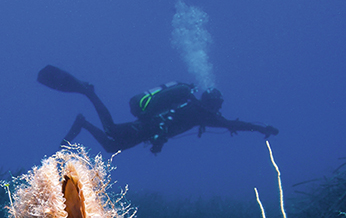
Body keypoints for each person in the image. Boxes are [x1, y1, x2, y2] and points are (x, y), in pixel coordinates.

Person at [38, 65, 278, 155]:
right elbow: (232, 125)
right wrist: (261, 128)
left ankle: (84, 122)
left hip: (148, 129)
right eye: (218, 106)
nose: (219, 111)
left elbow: (231, 124)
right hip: (148, 127)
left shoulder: (198, 110)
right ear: (213, 103)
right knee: (111, 130)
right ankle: (90, 94)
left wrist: (260, 128)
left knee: (112, 146)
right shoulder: (198, 111)